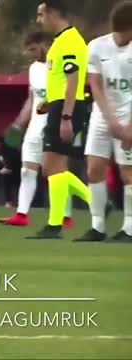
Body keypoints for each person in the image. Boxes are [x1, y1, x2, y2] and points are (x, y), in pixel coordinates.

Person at [27, 0, 92, 239]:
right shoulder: (60, 42)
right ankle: (55, 224)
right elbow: (61, 81)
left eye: (41, 14)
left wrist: (65, 115)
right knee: (53, 168)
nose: (38, 20)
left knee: (52, 166)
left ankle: (91, 203)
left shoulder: (70, 41)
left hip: (68, 109)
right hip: (59, 106)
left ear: (53, 13)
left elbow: (73, 80)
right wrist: (50, 103)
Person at [0, 31, 74, 227]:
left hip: (55, 123)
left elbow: (67, 95)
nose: (31, 53)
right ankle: (21, 214)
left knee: (57, 172)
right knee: (27, 170)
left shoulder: (60, 65)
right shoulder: (33, 69)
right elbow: (33, 100)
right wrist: (18, 124)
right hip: (35, 126)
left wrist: (65, 119)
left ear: (45, 44)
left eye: (33, 49)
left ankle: (65, 216)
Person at [75, 1, 132, 243]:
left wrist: (128, 125)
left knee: (128, 173)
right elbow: (95, 85)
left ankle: (129, 229)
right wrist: (109, 119)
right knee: (93, 169)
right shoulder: (96, 46)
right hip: (102, 114)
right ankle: (97, 226)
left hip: (129, 115)